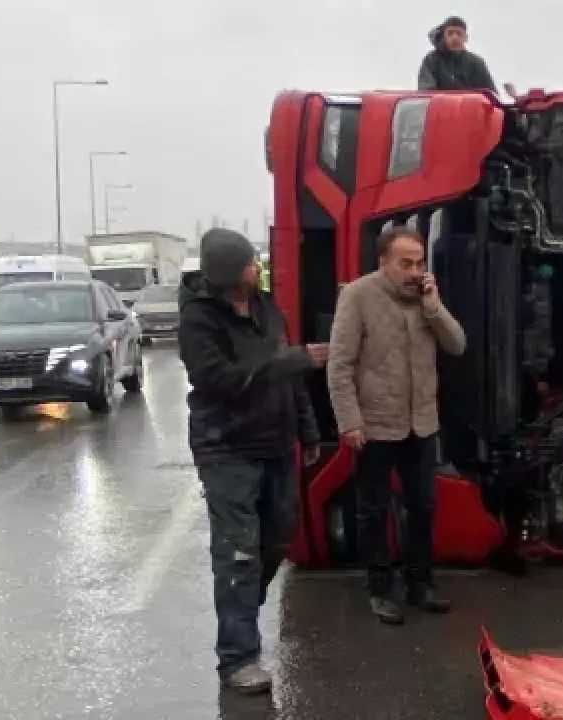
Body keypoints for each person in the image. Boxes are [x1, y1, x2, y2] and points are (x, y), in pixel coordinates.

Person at [178, 228, 328, 694]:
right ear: (230, 272)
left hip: (277, 444)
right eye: (248, 263)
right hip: (227, 450)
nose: (256, 268)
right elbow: (221, 379)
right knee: (238, 553)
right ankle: (238, 659)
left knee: (277, 537)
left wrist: (309, 431)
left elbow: (290, 377)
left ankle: (240, 610)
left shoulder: (266, 307)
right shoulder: (199, 320)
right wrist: (294, 362)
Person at [327, 223, 466, 624]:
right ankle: (379, 588)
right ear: (383, 262)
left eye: (419, 262)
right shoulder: (357, 296)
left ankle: (419, 584)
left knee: (422, 506)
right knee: (372, 510)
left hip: (421, 424)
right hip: (374, 426)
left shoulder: (425, 299)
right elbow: (340, 365)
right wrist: (349, 421)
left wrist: (434, 306)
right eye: (405, 263)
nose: (414, 271)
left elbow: (457, 345)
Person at [417, 15, 508, 94]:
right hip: (440, 111)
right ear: (444, 36)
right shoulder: (431, 60)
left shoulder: (476, 63)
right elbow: (426, 93)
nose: (455, 37)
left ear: (466, 38)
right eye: (450, 33)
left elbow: (491, 94)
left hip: (471, 111)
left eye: (459, 33)